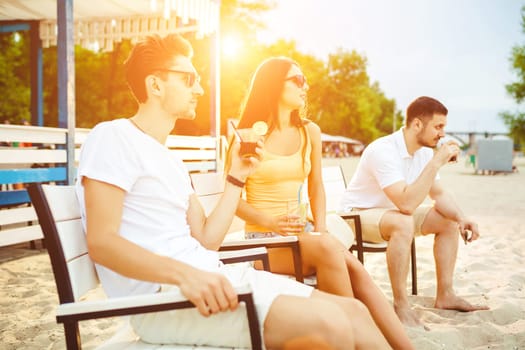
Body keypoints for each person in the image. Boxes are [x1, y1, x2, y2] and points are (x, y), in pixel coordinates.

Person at [75, 33, 392, 349]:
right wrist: (185, 275)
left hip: (210, 278)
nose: (199, 88)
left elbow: (207, 239)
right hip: (164, 300)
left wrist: (236, 180)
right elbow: (102, 242)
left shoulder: (172, 160)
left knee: (354, 312)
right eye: (188, 79)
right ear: (155, 85)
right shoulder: (113, 137)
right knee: (332, 327)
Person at [226, 56, 413, 350]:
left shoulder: (309, 131)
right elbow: (232, 199)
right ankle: (354, 340)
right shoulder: (247, 135)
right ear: (274, 85)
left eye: (305, 81)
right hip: (263, 241)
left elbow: (316, 187)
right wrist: (272, 222)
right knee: (329, 250)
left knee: (356, 270)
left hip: (305, 234)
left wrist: (321, 227)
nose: (306, 86)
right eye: (297, 80)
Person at [339, 96, 490, 327]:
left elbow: (437, 194)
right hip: (356, 216)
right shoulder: (383, 150)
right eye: (438, 127)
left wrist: (461, 217)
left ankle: (445, 295)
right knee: (403, 221)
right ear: (417, 124)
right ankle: (401, 305)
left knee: (447, 221)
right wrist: (436, 162)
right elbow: (407, 204)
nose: (442, 134)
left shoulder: (423, 152)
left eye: (444, 128)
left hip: (392, 214)